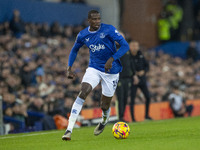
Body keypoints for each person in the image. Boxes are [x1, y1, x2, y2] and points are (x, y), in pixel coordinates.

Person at [62, 10, 129, 141]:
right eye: (94, 19)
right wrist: (69, 68)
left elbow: (125, 46)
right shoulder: (83, 35)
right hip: (94, 68)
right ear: (89, 20)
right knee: (84, 91)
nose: (97, 21)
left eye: (99, 19)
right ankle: (69, 130)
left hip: (112, 72)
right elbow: (74, 49)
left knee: (104, 105)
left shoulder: (109, 29)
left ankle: (104, 121)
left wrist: (112, 59)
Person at [116, 33, 139, 122]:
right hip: (119, 77)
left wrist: (134, 75)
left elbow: (131, 63)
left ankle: (122, 116)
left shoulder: (126, 48)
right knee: (120, 97)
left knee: (125, 97)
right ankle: (120, 117)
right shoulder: (113, 48)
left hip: (127, 77)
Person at [129, 40, 152, 121]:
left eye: (136, 46)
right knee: (132, 99)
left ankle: (147, 115)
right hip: (132, 80)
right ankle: (133, 118)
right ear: (130, 47)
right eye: (133, 46)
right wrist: (134, 74)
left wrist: (144, 71)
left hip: (142, 79)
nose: (135, 47)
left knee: (148, 97)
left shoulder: (141, 55)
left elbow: (147, 66)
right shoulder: (127, 56)